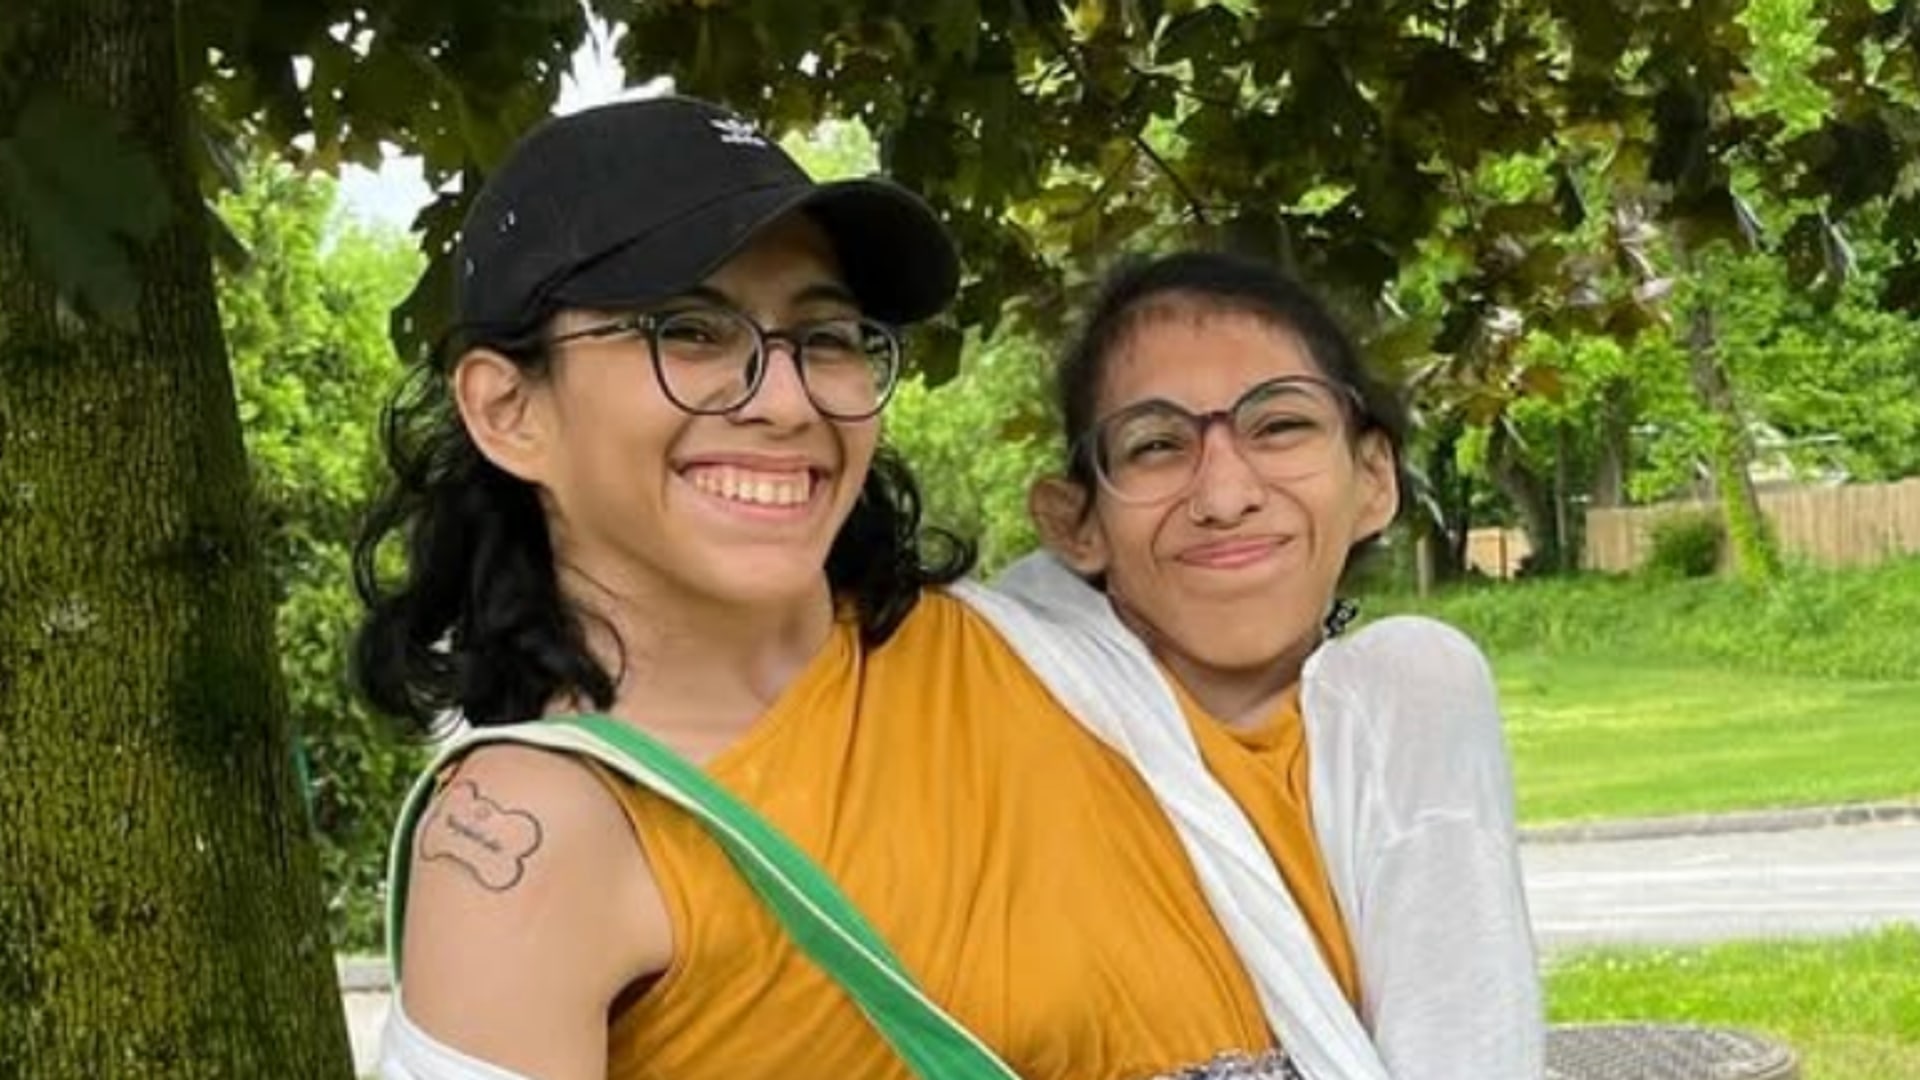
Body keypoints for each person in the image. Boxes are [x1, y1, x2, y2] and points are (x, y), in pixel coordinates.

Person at [356, 97, 1362, 1080]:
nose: (787, 401)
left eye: (826, 338)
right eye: (690, 334)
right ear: (507, 410)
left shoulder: (1052, 660)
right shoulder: (538, 841)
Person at [987, 251, 1544, 1078]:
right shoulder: (990, 690)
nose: (1224, 494)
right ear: (1074, 522)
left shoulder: (1412, 703)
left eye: (1279, 426)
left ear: (1372, 480)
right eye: (1155, 445)